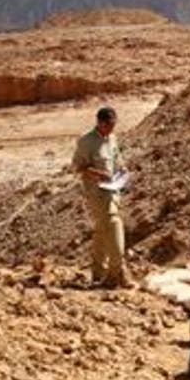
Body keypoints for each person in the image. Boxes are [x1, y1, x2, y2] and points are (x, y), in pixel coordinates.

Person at [72, 106, 131, 288]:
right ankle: (118, 272)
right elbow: (78, 167)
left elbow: (116, 159)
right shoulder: (86, 142)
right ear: (100, 123)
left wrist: (122, 170)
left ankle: (98, 272)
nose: (112, 129)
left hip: (113, 190)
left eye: (114, 125)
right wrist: (98, 173)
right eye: (109, 125)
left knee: (101, 229)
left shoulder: (112, 139)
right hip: (96, 192)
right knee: (113, 222)